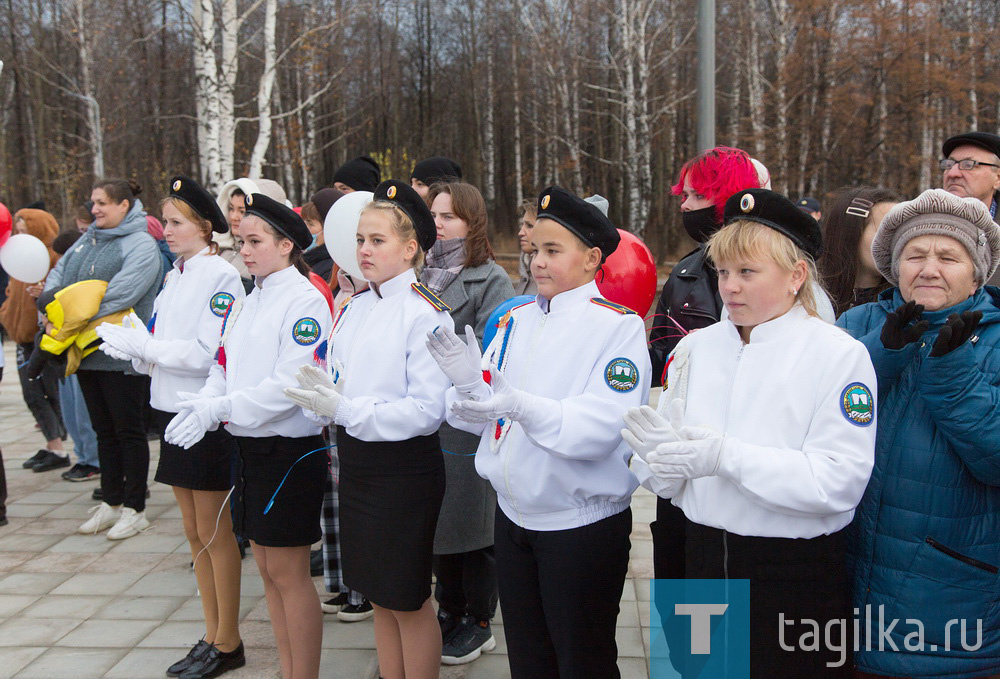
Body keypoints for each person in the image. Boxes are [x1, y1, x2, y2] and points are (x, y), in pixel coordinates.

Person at [629, 188, 876, 676]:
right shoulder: (698, 348)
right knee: (695, 669)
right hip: (698, 557)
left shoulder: (838, 356)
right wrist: (658, 465)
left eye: (747, 272)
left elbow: (839, 481)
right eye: (722, 271)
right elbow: (673, 463)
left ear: (795, 276)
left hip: (787, 572)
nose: (729, 287)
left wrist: (727, 458)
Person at [429, 186, 650, 678]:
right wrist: (466, 384)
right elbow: (479, 412)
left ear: (593, 258)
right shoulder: (515, 319)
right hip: (514, 519)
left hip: (580, 525)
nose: (538, 264)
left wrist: (521, 406)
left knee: (582, 660)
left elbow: (600, 429)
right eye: (534, 252)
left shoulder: (617, 328)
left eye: (553, 251)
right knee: (529, 660)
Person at [285, 180, 451, 679]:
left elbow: (426, 410)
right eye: (360, 239)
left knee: (408, 599)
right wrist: (322, 399)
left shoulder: (425, 312)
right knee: (378, 595)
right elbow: (338, 379)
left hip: (404, 472)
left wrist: (348, 409)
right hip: (357, 466)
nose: (364, 250)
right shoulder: (354, 306)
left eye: (377, 240)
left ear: (410, 248)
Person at [165, 192, 331, 679]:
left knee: (288, 573)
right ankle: (287, 668)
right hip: (249, 447)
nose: (246, 250)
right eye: (241, 242)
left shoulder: (303, 301)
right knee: (265, 569)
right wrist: (206, 402)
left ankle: (304, 673)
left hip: (288, 450)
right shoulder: (248, 299)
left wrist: (224, 406)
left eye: (256, 241)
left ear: (286, 245)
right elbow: (223, 363)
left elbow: (291, 385)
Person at [837, 189, 1000, 678]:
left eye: (948, 257)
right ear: (894, 266)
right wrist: (878, 358)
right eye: (915, 255)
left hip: (948, 607)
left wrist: (953, 379)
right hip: (834, 600)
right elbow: (806, 422)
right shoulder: (856, 325)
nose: (929, 269)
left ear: (977, 271)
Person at [97, 176, 246, 679]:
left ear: (206, 228)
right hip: (171, 410)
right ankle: (211, 633)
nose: (167, 231)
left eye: (177, 223)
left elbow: (207, 352)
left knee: (213, 531)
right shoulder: (175, 275)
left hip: (203, 414)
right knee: (191, 530)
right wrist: (139, 351)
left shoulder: (219, 277)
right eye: (167, 222)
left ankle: (228, 639)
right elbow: (164, 341)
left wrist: (149, 350)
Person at [645, 146, 761, 583]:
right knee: (682, 616)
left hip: (737, 475)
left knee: (727, 629)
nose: (684, 205)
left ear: (723, 197)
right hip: (680, 472)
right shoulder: (686, 272)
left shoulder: (778, 275)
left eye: (694, 196)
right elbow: (659, 356)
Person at [41, 179, 162, 540]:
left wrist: (66, 312)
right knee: (103, 431)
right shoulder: (89, 237)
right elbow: (59, 274)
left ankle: (135, 508)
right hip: (87, 352)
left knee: (128, 432)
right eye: (93, 203)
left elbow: (121, 293)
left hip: (122, 354)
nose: (94, 210)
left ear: (124, 205)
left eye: (102, 203)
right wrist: (56, 303)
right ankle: (111, 503)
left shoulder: (140, 243)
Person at [423, 181, 513, 664]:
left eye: (449, 216)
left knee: (473, 528)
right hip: (424, 418)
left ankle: (479, 620)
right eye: (434, 214)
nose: (438, 224)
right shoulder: (420, 273)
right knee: (439, 523)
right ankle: (447, 608)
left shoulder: (490, 278)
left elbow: (489, 351)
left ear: (472, 223)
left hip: (466, 419)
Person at [0, 208, 69, 473]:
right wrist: (7, 313)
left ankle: (58, 447)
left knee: (49, 392)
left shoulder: (52, 257)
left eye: (24, 231)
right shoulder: (18, 255)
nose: (19, 237)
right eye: (16, 232)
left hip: (45, 337)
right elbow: (11, 291)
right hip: (21, 336)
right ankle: (52, 444)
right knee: (32, 394)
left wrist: (44, 294)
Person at [49, 230, 100, 482]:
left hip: (84, 348)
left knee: (84, 411)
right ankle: (83, 455)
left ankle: (92, 459)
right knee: (70, 408)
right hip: (65, 348)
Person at [820, 186, 902, 316]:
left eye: (902, 232)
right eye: (887, 230)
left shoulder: (905, 306)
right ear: (851, 233)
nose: (900, 241)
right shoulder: (808, 301)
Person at [214, 177, 291, 291]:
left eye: (242, 211)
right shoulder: (219, 247)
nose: (233, 217)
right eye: (231, 209)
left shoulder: (269, 259)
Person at [300, 188, 344, 283]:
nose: (305, 229)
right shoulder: (304, 258)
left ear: (329, 228)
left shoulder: (332, 269)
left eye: (310, 224)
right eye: (304, 223)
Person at [513, 199, 537, 295]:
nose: (520, 233)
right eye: (522, 225)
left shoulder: (555, 284)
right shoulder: (526, 273)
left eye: (529, 226)